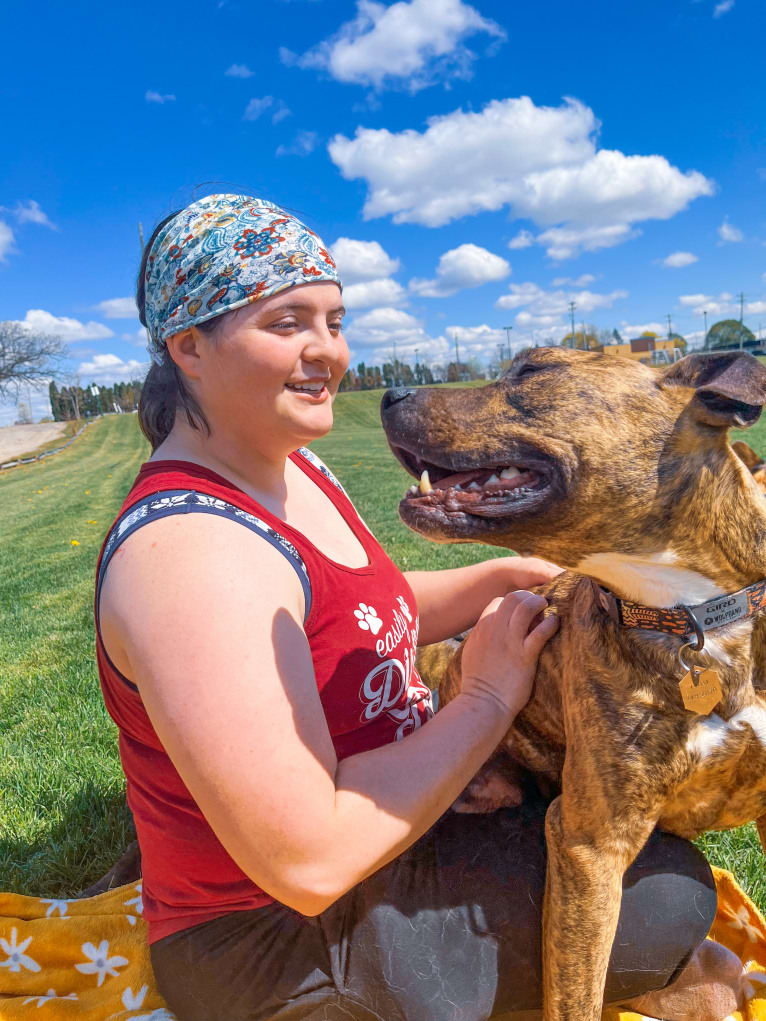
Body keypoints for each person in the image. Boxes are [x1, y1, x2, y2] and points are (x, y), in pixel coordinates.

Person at [95, 194, 716, 1021]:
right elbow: (309, 858)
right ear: (189, 346)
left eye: (336, 319)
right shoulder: (190, 559)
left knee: (628, 855)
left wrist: (502, 575)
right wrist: (488, 699)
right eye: (288, 323)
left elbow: (359, 611)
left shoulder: (289, 468)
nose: (329, 352)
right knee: (667, 898)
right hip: (280, 941)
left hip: (401, 824)